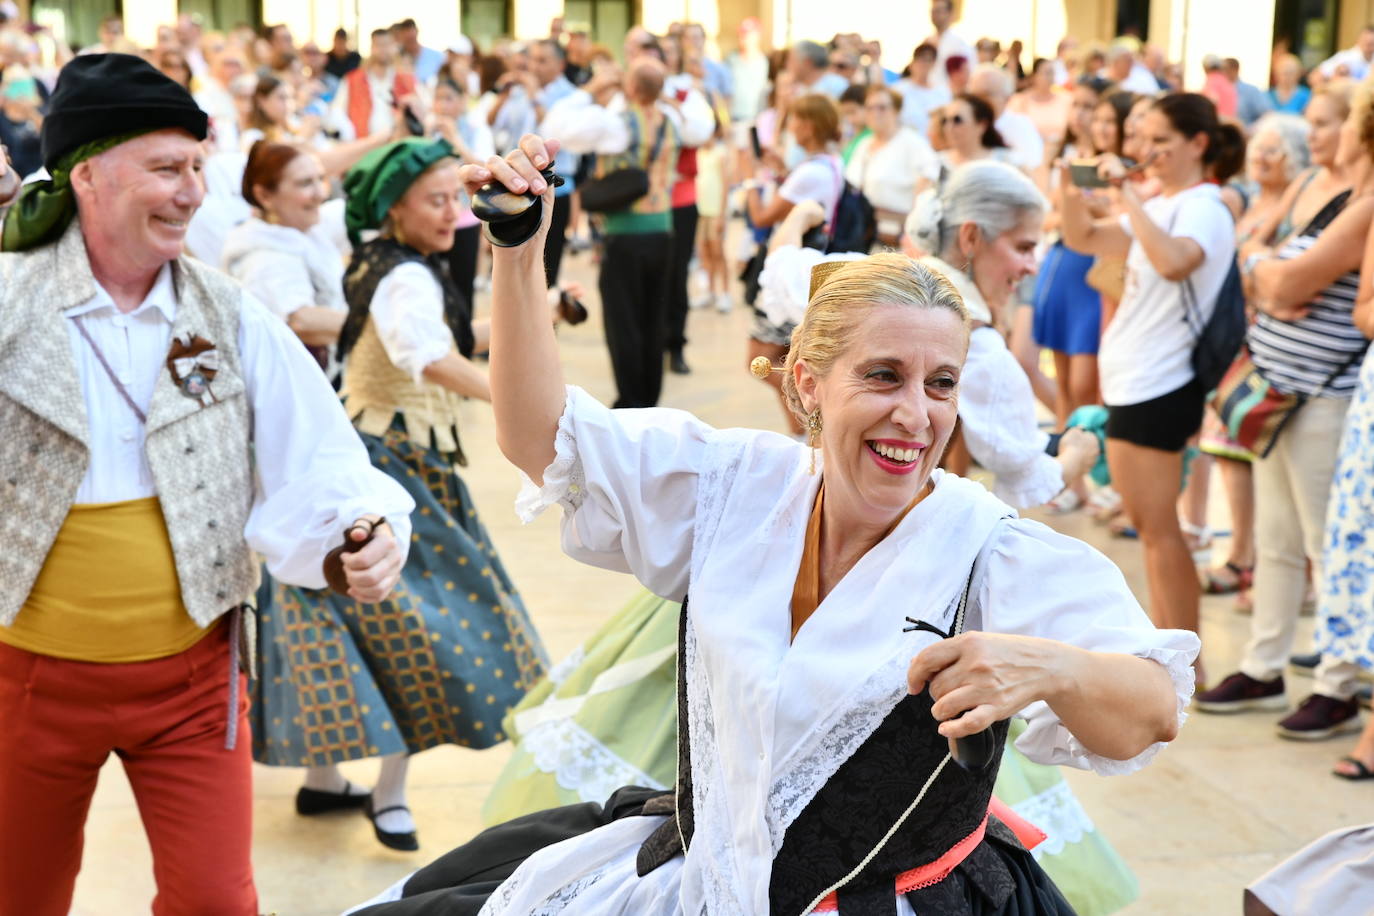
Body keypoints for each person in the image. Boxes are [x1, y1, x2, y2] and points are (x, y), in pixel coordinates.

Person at [346, 130, 1198, 916]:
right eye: (884, 376)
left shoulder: (989, 551)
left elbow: (1154, 707)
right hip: (702, 885)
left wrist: (1052, 667)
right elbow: (541, 436)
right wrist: (519, 252)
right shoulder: (735, 484)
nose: (916, 413)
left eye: (941, 384)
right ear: (805, 386)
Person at [0, 53, 412, 915]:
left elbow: (323, 460)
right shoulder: (9, 302)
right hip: (24, 686)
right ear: (86, 177)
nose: (192, 193)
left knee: (217, 905)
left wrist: (357, 538)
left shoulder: (230, 313)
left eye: (197, 167)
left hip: (193, 685)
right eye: (165, 168)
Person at [252, 137, 550, 854]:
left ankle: (328, 781)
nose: (456, 213)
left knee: (336, 625)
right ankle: (386, 795)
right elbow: (429, 356)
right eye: (437, 200)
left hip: (370, 458)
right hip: (392, 470)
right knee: (414, 629)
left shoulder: (389, 263)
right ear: (394, 209)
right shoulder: (404, 277)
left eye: (457, 198)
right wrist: (528, 403)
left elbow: (436, 336)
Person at [1195, 84, 1374, 738]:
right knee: (1277, 541)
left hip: (1322, 395)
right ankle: (1266, 664)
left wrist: (1268, 274)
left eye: (1338, 121)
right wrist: (1265, 271)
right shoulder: (1329, 194)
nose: (1326, 132)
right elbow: (1256, 261)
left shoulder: (1368, 202)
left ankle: (1339, 682)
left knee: (1332, 545)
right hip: (1281, 389)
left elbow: (1288, 280)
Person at [1060, 93, 1244, 667]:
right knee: (1147, 524)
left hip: (1164, 383)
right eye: (1147, 140)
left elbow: (1172, 261)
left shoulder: (1203, 207)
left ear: (1199, 144)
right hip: (1133, 380)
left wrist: (1129, 196)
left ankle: (1186, 661)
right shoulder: (1161, 204)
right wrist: (1071, 187)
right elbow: (1083, 239)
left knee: (1160, 529)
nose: (1151, 151)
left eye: (1164, 140)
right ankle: (1173, 653)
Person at [1198, 113, 1312, 600]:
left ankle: (1288, 572)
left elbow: (1282, 277)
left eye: (1275, 149)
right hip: (1237, 340)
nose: (1263, 158)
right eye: (1259, 148)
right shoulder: (1243, 198)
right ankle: (1242, 553)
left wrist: (1259, 277)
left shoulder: (1300, 207)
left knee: (1279, 464)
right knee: (1229, 450)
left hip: (1277, 342)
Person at [542, 59, 692, 409]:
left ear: (632, 89)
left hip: (626, 234)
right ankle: (649, 399)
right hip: (663, 229)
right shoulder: (671, 123)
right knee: (653, 318)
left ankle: (630, 401)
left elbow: (556, 128)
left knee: (623, 320)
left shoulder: (618, 125)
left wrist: (592, 89)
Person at [742, 92, 845, 434]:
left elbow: (761, 217)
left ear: (810, 125)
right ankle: (803, 432)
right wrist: (781, 171)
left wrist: (750, 179)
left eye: (797, 120)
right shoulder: (830, 162)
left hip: (786, 272)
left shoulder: (810, 172)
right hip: (804, 265)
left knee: (762, 361)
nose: (792, 127)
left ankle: (809, 426)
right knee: (789, 359)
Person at [220, 141, 347, 381]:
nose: (320, 193)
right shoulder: (263, 257)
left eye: (320, 179)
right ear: (264, 195)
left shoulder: (304, 231)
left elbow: (359, 214)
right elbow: (301, 320)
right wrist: (379, 327)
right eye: (305, 183)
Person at [844, 85, 939, 248]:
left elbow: (928, 179)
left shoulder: (912, 142)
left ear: (896, 111)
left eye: (882, 107)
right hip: (862, 233)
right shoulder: (864, 144)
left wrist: (914, 225)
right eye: (870, 108)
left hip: (896, 238)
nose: (875, 113)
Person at [330, 28, 416, 141]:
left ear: (393, 47)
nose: (383, 50)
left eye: (386, 45)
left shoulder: (406, 79)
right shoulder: (353, 79)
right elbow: (337, 112)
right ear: (371, 47)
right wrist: (349, 135)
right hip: (363, 145)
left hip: (397, 145)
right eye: (379, 45)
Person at [969, 63, 1044, 172]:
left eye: (986, 95)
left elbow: (1031, 167)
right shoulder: (963, 125)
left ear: (1007, 98)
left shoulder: (1021, 127)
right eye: (974, 96)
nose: (979, 102)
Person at [1007, 57, 1073, 153]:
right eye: (1046, 73)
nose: (1050, 77)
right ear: (1034, 76)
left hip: (1059, 151)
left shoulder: (1067, 99)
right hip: (1027, 152)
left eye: (1052, 73)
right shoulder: (1019, 101)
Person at [937, 92, 1010, 172]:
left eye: (957, 120)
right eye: (944, 121)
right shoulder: (936, 164)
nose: (948, 128)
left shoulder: (1006, 160)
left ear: (982, 125)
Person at [896, 42, 951, 137]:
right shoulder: (898, 89)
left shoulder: (943, 92)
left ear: (934, 63)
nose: (924, 64)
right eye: (921, 59)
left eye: (928, 60)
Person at [926, 0, 972, 90]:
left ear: (950, 14)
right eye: (933, 11)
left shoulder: (959, 44)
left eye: (939, 11)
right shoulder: (928, 41)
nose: (935, 15)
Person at [391, 17, 443, 85]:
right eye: (407, 40)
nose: (410, 43)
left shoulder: (437, 56)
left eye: (412, 39)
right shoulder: (396, 59)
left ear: (417, 32)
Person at [1225, 57, 1273, 127]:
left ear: (1235, 70)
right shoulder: (1215, 90)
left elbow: (1268, 113)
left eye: (1225, 70)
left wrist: (1250, 130)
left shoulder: (1250, 91)